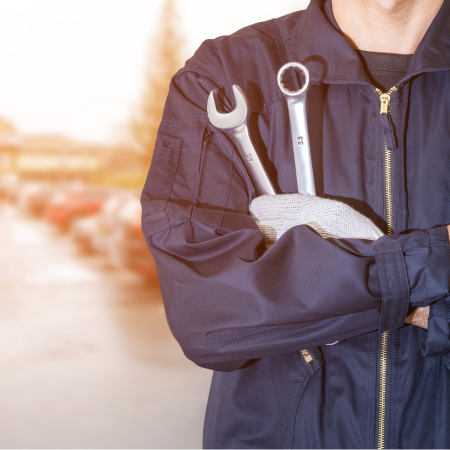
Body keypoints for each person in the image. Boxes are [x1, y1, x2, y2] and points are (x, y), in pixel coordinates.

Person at [141, 0, 450, 447]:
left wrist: (319, 283)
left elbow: (251, 301)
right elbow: (209, 316)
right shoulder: (226, 72)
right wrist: (424, 271)